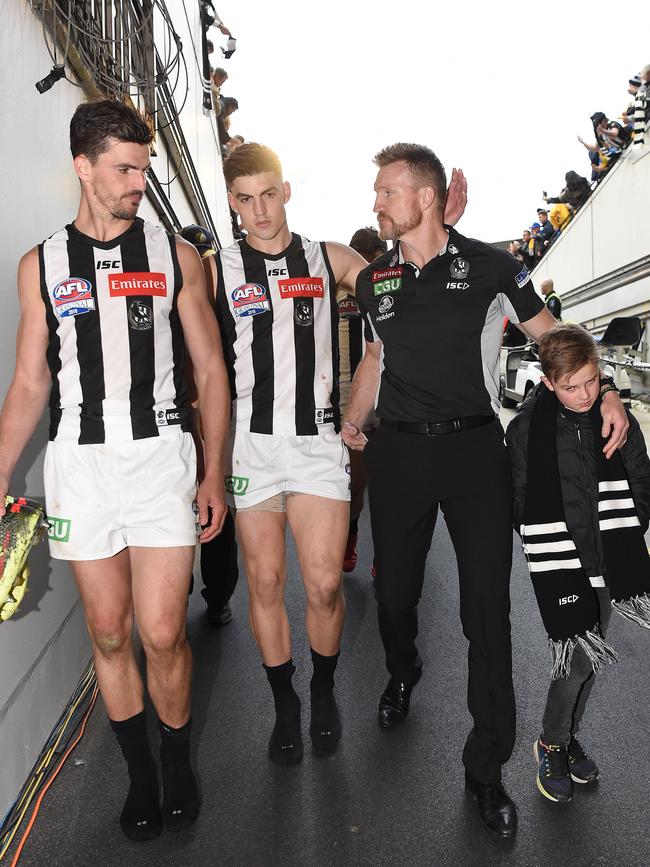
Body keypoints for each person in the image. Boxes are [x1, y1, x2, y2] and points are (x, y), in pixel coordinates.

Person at [341, 143, 629, 838]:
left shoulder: (495, 267)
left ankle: (485, 769)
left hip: (475, 453)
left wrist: (607, 385)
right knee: (396, 597)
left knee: (487, 616)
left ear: (427, 197)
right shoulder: (374, 280)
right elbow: (374, 359)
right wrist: (353, 420)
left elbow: (551, 336)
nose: (376, 203)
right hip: (400, 453)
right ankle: (403, 668)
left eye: (387, 192)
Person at [0, 99, 231, 842]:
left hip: (160, 456)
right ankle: (138, 772)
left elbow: (211, 368)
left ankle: (176, 755)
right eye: (125, 169)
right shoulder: (40, 265)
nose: (140, 181)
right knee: (108, 631)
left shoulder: (175, 256)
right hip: (81, 465)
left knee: (162, 630)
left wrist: (214, 472)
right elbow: (30, 386)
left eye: (144, 166)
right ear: (83, 165)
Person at [214, 142, 468, 767]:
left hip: (318, 446)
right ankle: (284, 705)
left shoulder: (327, 258)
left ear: (287, 191)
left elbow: (401, 283)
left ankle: (322, 689)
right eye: (245, 201)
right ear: (232, 204)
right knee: (267, 584)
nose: (260, 211)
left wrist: (444, 230)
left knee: (326, 586)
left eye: (269, 195)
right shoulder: (213, 267)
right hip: (251, 450)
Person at [505, 324, 650, 804]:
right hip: (563, 564)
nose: (585, 394)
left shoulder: (612, 414)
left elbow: (639, 474)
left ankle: (564, 737)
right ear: (548, 382)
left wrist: (631, 526)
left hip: (610, 561)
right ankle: (551, 741)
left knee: (588, 663)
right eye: (571, 386)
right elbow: (519, 496)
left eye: (592, 381)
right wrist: (540, 540)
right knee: (577, 663)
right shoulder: (526, 427)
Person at [179, 223, 240, 627]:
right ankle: (176, 590)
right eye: (195, 259)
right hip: (176, 419)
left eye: (205, 258)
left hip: (217, 414)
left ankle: (218, 595)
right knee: (175, 513)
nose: (201, 266)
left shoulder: (224, 303)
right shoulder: (167, 292)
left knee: (217, 507)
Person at [338, 227, 387, 573]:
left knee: (389, 483)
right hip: (348, 398)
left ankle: (386, 554)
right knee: (355, 485)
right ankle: (351, 531)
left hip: (390, 398)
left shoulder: (391, 288)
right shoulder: (335, 289)